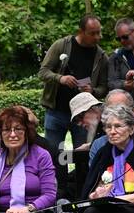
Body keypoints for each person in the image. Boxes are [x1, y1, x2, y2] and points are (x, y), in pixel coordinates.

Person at [39, 15, 109, 149]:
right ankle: (60, 171)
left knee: (82, 154)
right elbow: (43, 72)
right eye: (93, 33)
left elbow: (105, 87)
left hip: (84, 117)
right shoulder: (62, 45)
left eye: (99, 32)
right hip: (56, 112)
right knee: (55, 154)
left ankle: (79, 171)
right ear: (81, 31)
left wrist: (93, 91)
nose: (98, 37)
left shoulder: (101, 57)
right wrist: (60, 78)